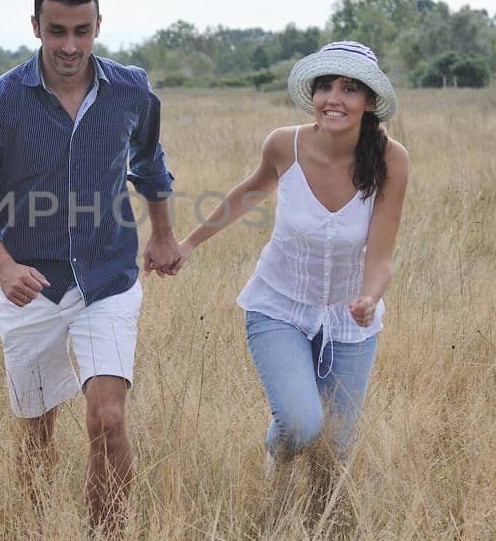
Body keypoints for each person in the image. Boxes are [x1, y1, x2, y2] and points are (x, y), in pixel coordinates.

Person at [0, 0, 180, 541]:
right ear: (36, 27)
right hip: (31, 286)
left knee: (106, 420)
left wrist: (161, 234)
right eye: (57, 31)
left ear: (99, 25)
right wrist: (2, 266)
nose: (70, 46)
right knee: (36, 434)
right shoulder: (2, 101)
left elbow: (149, 162)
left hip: (108, 279)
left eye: (83, 30)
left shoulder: (131, 89)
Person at [174, 41, 408, 508]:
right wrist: (189, 243)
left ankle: (315, 536)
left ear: (369, 101)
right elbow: (248, 193)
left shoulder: (390, 160)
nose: (333, 99)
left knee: (335, 450)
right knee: (302, 426)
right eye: (325, 87)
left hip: (348, 319)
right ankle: (276, 459)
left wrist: (368, 297)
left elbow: (381, 255)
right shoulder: (285, 144)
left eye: (349, 88)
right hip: (278, 305)